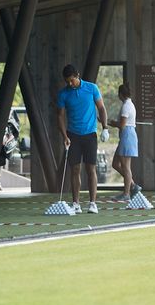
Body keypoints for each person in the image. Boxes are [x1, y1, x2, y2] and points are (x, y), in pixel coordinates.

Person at [56, 63, 109, 213]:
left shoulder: (92, 88)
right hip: (73, 135)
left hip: (90, 134)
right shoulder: (63, 94)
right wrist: (64, 136)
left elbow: (101, 108)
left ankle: (93, 203)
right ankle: (76, 204)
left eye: (72, 80)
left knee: (91, 169)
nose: (70, 84)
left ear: (77, 75)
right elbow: (59, 116)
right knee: (75, 169)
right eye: (67, 81)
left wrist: (105, 128)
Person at [109, 82, 141, 200]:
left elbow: (122, 125)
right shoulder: (129, 104)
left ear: (121, 94)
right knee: (115, 164)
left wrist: (112, 123)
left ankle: (127, 194)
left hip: (127, 136)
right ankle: (133, 185)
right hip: (126, 136)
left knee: (126, 166)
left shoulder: (126, 106)